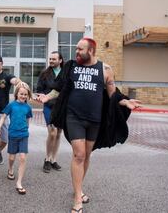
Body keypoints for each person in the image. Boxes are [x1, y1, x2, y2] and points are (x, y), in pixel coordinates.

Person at [37, 38, 141, 213]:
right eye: (76, 49)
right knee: (79, 155)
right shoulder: (71, 67)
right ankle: (78, 198)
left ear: (91, 51)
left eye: (80, 49)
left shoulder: (105, 70)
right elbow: (60, 88)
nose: (76, 52)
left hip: (94, 120)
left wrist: (125, 102)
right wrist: (47, 97)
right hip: (74, 117)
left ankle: (78, 188)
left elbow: (112, 94)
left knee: (86, 155)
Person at [0, 84, 33, 195]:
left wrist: (26, 129)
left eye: (25, 94)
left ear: (27, 96)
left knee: (22, 158)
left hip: (23, 135)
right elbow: (3, 116)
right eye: (21, 94)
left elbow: (27, 120)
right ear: (16, 94)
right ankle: (10, 169)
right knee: (12, 158)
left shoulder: (28, 107)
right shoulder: (11, 105)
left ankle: (19, 183)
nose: (23, 96)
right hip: (12, 134)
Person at [36, 51, 64, 173]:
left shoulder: (65, 74)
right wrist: (41, 96)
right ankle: (47, 159)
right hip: (49, 106)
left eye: (54, 59)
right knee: (52, 132)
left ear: (60, 60)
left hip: (62, 107)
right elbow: (39, 90)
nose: (51, 61)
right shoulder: (44, 74)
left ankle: (53, 159)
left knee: (58, 134)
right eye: (50, 59)